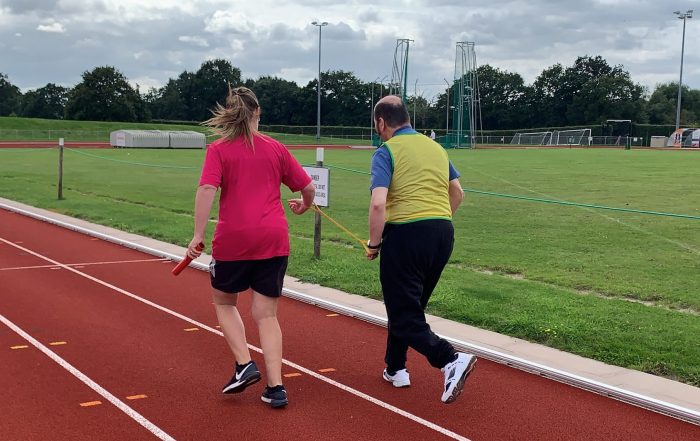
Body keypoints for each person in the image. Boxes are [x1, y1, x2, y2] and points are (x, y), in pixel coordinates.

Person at [186, 86, 315, 409]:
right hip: (273, 238)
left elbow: (206, 188)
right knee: (266, 314)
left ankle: (244, 364)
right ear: (258, 112)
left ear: (230, 114)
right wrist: (303, 205)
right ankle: (276, 387)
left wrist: (197, 234)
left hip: (234, 239)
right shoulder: (276, 148)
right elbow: (308, 186)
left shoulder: (218, 150)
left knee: (224, 301)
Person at [366, 95, 476, 404]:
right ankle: (395, 368)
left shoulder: (385, 151)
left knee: (403, 313)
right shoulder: (436, 147)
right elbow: (458, 193)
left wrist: (374, 244)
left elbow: (378, 203)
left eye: (377, 127)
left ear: (381, 123)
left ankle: (450, 359)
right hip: (442, 232)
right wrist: (434, 222)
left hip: (406, 236)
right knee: (409, 307)